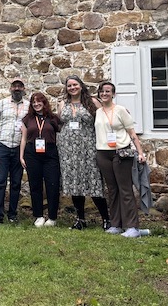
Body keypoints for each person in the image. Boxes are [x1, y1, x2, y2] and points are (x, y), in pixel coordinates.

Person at [57, 75, 111, 230]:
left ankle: (106, 219)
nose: (72, 88)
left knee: (93, 182)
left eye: (75, 85)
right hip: (68, 151)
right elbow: (59, 124)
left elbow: (106, 117)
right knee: (75, 184)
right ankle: (80, 219)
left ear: (81, 86)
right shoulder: (63, 104)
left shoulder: (92, 102)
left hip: (88, 149)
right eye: (69, 86)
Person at [94, 81, 147, 238]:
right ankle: (116, 224)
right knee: (112, 190)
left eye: (108, 91)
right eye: (101, 91)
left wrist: (141, 153)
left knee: (125, 189)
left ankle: (132, 227)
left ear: (113, 94)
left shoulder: (121, 110)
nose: (104, 94)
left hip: (121, 153)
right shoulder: (98, 112)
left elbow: (132, 133)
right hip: (103, 153)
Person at [19, 92, 63, 227]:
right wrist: (21, 156)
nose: (36, 104)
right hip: (32, 153)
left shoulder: (53, 118)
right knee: (35, 185)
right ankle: (38, 215)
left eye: (39, 101)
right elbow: (24, 138)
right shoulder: (28, 119)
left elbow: (61, 134)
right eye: (34, 102)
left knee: (52, 184)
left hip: (50, 153)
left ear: (44, 103)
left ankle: (52, 217)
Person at [0, 78, 30, 224]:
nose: (17, 89)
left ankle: (12, 214)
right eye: (14, 86)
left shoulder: (28, 105)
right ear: (10, 88)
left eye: (20, 86)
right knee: (0, 182)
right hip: (2, 145)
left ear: (23, 88)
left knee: (16, 183)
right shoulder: (2, 103)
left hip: (19, 147)